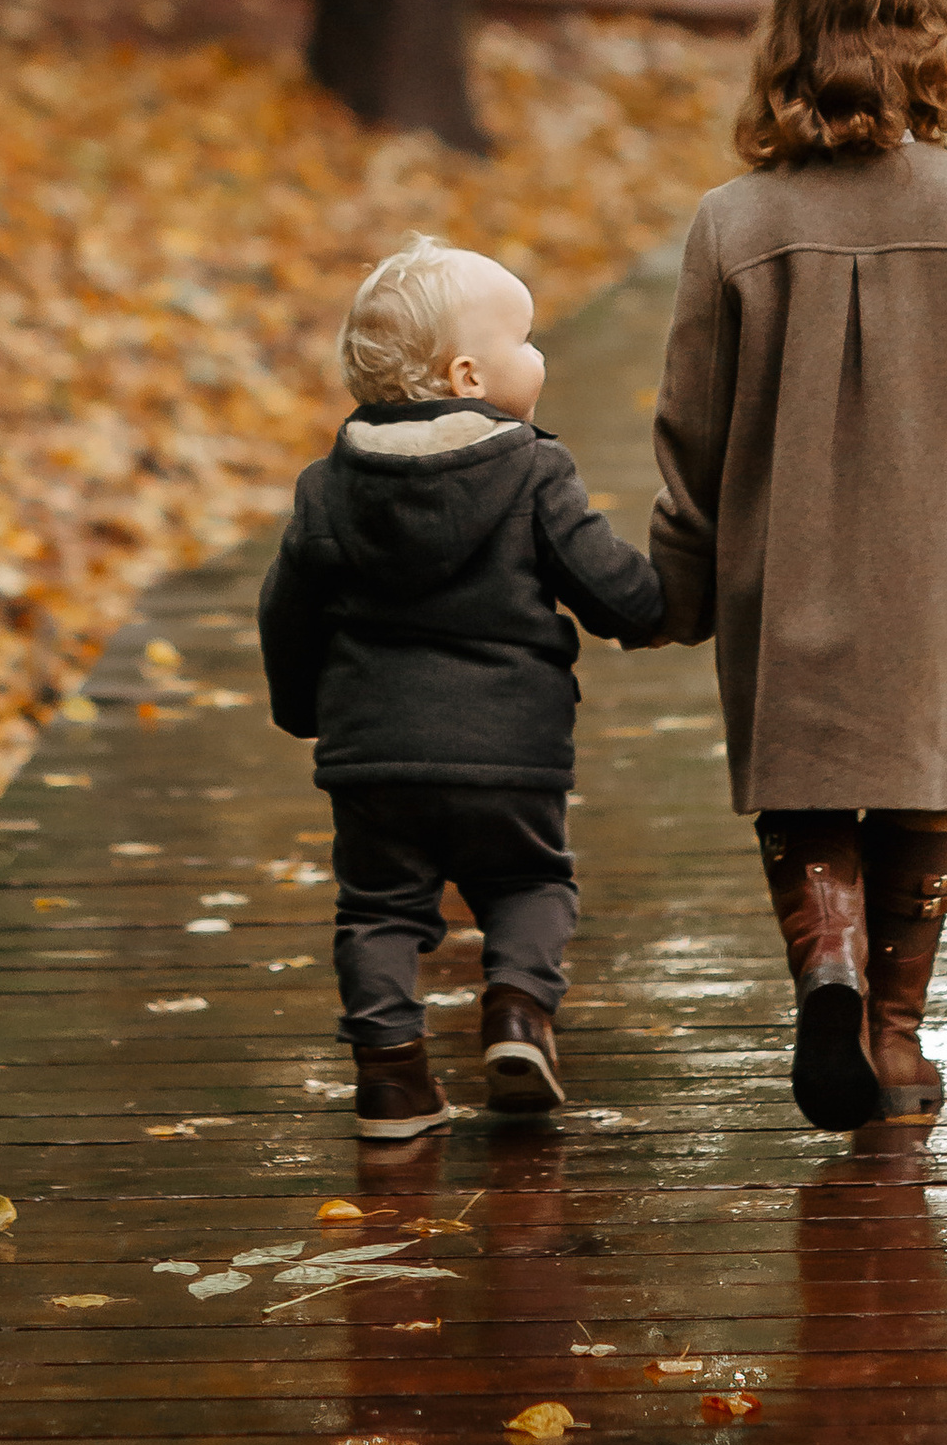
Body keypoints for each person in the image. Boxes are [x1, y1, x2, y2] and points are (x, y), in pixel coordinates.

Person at [650, 0, 947, 1132]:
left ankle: (829, 969)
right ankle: (894, 1040)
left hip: (779, 572)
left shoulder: (732, 223)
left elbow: (690, 435)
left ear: (788, 39)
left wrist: (681, 585)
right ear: (938, 42)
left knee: (804, 795)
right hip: (940, 573)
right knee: (918, 791)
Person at [258, 234, 664, 1144]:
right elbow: (605, 584)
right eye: (527, 339)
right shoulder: (533, 470)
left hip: (373, 759)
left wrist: (303, 711)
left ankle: (391, 1082)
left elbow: (285, 613)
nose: (541, 354)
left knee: (377, 911)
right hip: (508, 752)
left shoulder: (326, 489)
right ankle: (517, 1014)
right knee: (529, 882)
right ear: (469, 375)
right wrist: (660, 608)